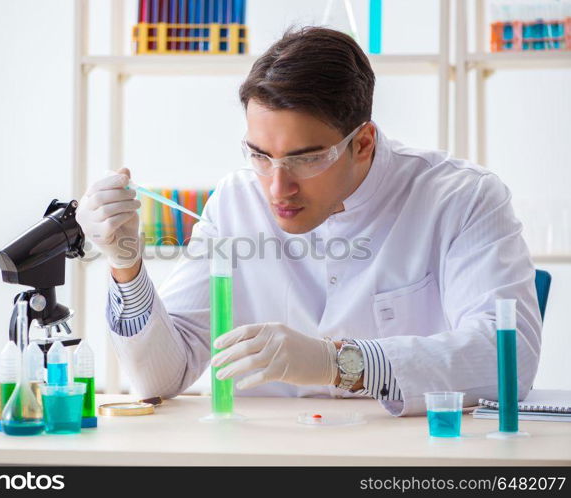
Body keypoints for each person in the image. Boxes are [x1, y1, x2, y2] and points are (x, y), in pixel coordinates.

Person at [76, 27, 541, 416]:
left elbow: (508, 360)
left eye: (307, 159)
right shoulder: (236, 201)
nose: (277, 189)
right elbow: (162, 377)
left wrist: (339, 362)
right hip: (265, 459)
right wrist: (126, 267)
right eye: (260, 156)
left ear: (363, 143)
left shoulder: (461, 197)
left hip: (405, 459)